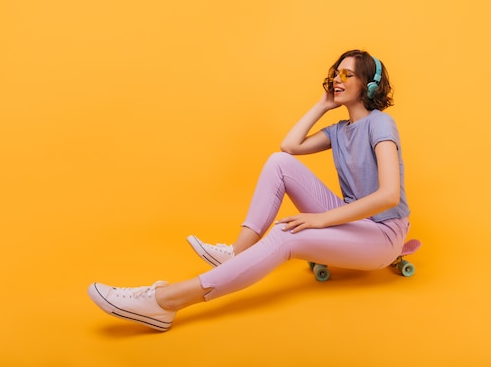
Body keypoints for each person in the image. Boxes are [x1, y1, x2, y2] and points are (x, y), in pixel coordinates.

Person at [87, 49, 411, 331]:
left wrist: (319, 220)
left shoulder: (380, 123)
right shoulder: (340, 130)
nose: (336, 80)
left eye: (346, 74)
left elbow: (388, 196)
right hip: (352, 221)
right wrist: (322, 105)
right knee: (278, 161)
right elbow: (290, 146)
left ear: (367, 85)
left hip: (382, 234)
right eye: (334, 73)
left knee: (287, 233)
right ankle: (238, 253)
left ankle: (164, 301)